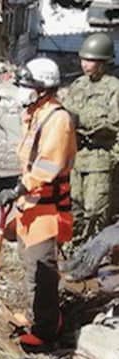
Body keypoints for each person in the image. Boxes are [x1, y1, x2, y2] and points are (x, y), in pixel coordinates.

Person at [0, 57, 76, 351]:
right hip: (29, 205)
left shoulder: (58, 120)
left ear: (43, 89)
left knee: (42, 270)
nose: (22, 91)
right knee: (31, 267)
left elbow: (47, 165)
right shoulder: (35, 114)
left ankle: (46, 331)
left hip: (47, 208)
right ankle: (40, 318)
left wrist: (19, 187)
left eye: (28, 86)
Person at [63, 32, 119, 250]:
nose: (85, 64)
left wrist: (115, 158)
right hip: (77, 159)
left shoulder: (114, 88)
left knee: (95, 212)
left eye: (91, 60)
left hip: (101, 160)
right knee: (74, 209)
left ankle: (92, 256)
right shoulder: (78, 85)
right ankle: (73, 252)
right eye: (84, 59)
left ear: (104, 61)